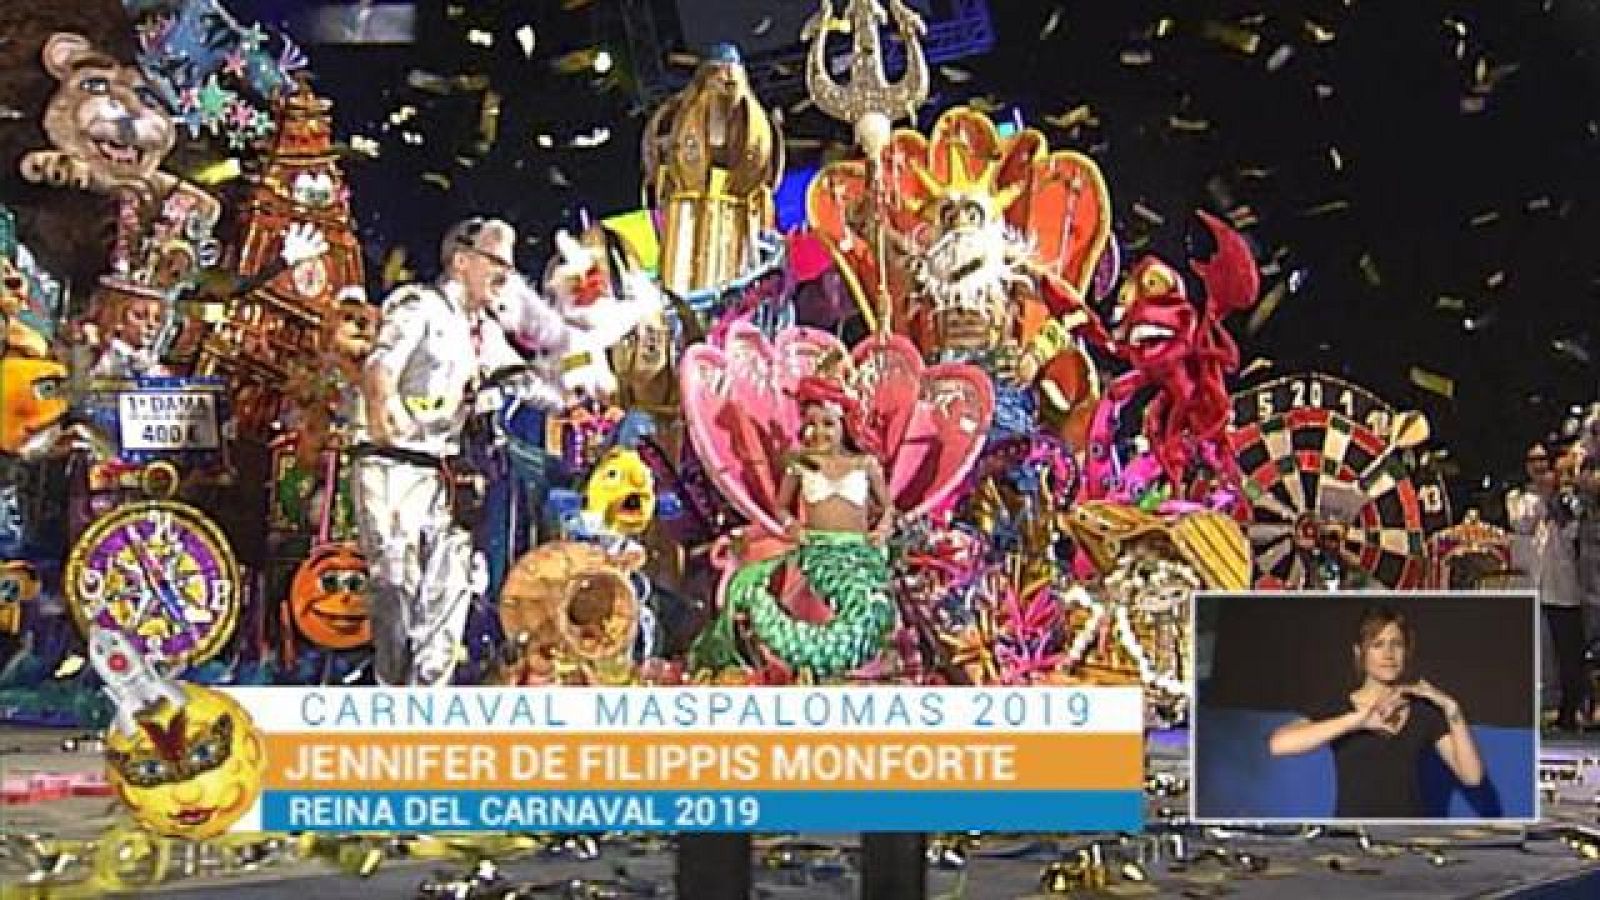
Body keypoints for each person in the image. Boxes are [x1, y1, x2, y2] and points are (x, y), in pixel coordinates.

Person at [351, 217, 531, 686]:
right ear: (462, 261)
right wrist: (381, 406)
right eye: (496, 263)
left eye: (510, 267)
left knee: (448, 593)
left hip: (448, 476)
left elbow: (522, 379)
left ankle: (427, 703)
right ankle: (392, 696)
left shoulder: (485, 332)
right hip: (394, 467)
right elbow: (380, 365)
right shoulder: (421, 307)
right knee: (396, 585)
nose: (504, 275)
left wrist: (580, 377)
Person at [1268, 605, 1484, 818]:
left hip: (1408, 832)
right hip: (1352, 832)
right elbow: (1279, 744)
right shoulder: (1340, 707)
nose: (1388, 654)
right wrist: (1357, 721)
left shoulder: (1423, 711)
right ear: (1359, 652)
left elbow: (1472, 777)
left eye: (1396, 644)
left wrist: (1452, 709)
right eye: (1378, 644)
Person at [1508, 442, 1587, 731]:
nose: (1540, 469)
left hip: (1563, 587)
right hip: (1531, 586)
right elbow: (1522, 523)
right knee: (1534, 651)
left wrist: (1557, 497)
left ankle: (1571, 711)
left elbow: (1572, 528)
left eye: (1544, 462)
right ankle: (1536, 708)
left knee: (1567, 652)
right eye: (1533, 461)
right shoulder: (1520, 498)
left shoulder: (1571, 501)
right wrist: (1544, 497)